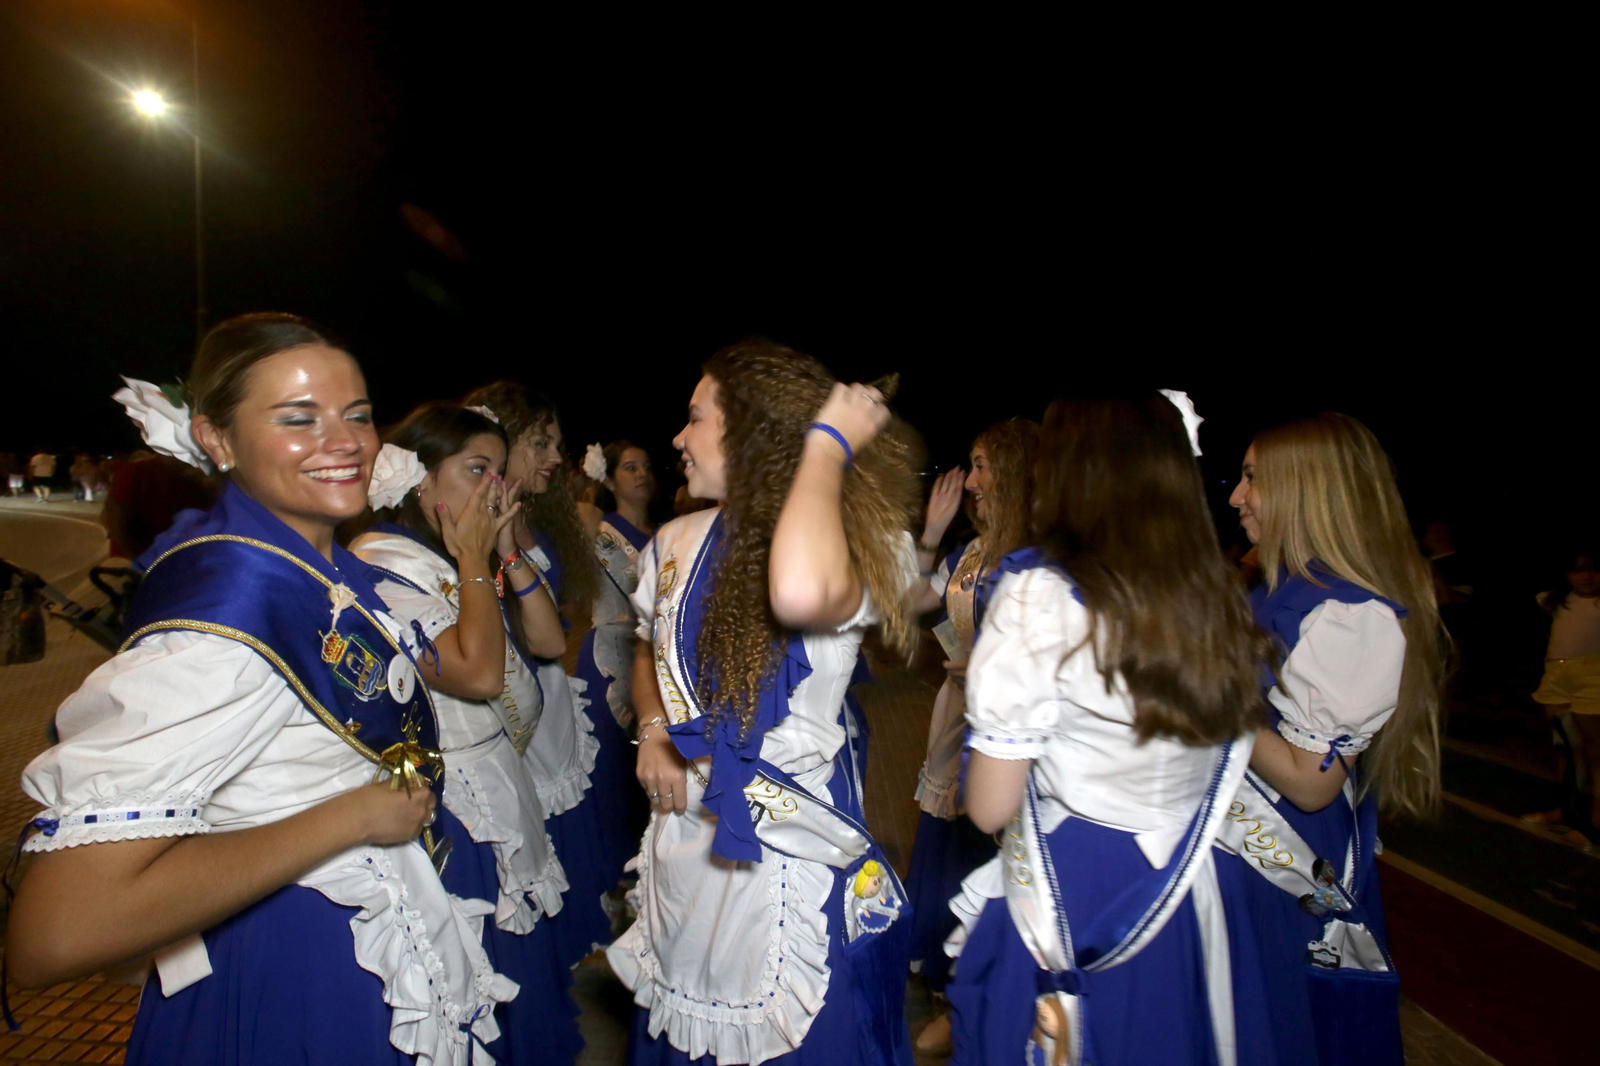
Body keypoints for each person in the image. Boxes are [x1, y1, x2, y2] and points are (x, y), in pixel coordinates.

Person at [7, 313, 511, 1065]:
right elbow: (55, 935)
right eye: (298, 419)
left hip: (359, 933)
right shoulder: (226, 618)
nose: (344, 442)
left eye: (358, 415)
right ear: (214, 439)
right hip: (295, 967)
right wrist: (348, 818)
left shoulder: (319, 566)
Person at [607, 340, 922, 1066]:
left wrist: (826, 444)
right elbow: (646, 648)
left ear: (753, 432)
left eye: (695, 419)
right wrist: (654, 729)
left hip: (787, 853)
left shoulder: (840, 543)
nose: (678, 439)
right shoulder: (673, 541)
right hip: (684, 843)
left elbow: (800, 591)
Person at [945, 392, 1276, 1066]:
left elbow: (988, 807)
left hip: (1080, 883)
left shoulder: (1040, 596)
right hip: (1189, 882)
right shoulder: (1212, 592)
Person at [349, 402, 584, 1062]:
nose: (494, 488)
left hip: (500, 783)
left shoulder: (455, 555)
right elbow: (480, 675)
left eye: (498, 473)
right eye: (477, 469)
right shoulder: (381, 566)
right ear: (419, 480)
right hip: (451, 813)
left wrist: (503, 550)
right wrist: (478, 559)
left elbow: (546, 639)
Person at [1223, 412, 1448, 1066]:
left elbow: (1310, 781)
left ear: (1309, 488)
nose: (1237, 496)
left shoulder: (1350, 612)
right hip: (1242, 849)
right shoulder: (1281, 588)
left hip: (1284, 860)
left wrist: (1204, 693)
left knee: (1280, 1025)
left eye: (1253, 478)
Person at [460, 381, 611, 966]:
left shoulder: (536, 525)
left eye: (556, 444)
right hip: (509, 722)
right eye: (539, 443)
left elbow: (552, 634)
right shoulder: (469, 537)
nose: (554, 458)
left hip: (548, 710)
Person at [902, 418, 1039, 1056]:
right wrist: (930, 534)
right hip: (959, 713)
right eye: (972, 464)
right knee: (952, 835)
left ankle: (978, 989)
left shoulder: (1040, 557)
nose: (974, 481)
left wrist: (990, 665)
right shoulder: (973, 554)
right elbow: (913, 605)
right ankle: (943, 978)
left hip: (1010, 731)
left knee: (991, 843)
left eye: (985, 467)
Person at [574, 440, 657, 889]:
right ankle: (606, 877)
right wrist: (588, 492)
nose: (641, 474)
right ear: (609, 478)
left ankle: (647, 869)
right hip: (607, 657)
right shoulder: (597, 525)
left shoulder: (670, 531)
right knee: (609, 771)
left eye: (646, 466)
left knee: (646, 767)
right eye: (629, 467)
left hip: (652, 658)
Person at [1526, 550, 1600, 835]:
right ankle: (1566, 810)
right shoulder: (1556, 601)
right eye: (1579, 570)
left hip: (1592, 677)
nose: (1587, 576)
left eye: (1594, 570)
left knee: (1594, 752)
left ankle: (1594, 819)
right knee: (1565, 748)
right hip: (1557, 675)